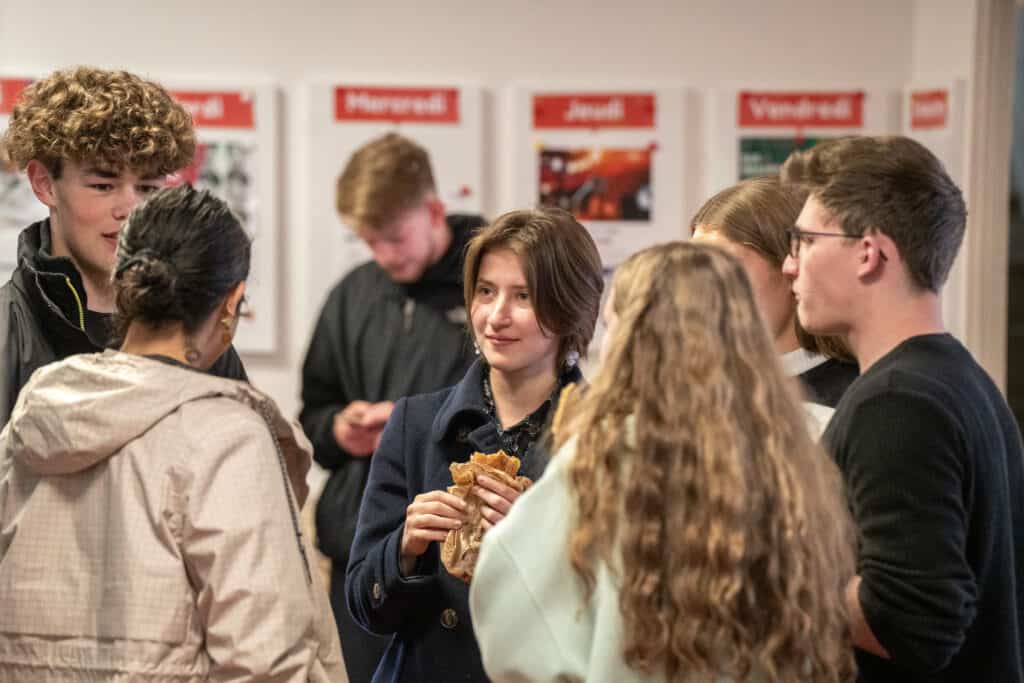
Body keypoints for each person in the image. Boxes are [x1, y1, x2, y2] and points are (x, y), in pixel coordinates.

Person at [469, 241, 858, 683]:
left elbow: (511, 598)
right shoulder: (790, 456)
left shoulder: (605, 457)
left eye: (613, 324)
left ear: (633, 339)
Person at [0, 185, 343, 680]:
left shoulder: (35, 415)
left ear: (122, 284)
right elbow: (266, 659)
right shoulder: (227, 438)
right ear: (232, 303)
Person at [781, 135, 1024, 682]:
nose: (790, 267)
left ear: (869, 252)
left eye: (803, 242)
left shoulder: (897, 403)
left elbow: (911, 622)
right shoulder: (960, 378)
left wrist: (771, 567)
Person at [345, 207, 604, 682]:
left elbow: (618, 619)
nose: (496, 316)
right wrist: (404, 548)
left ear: (570, 306)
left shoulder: (604, 437)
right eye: (485, 292)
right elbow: (365, 605)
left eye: (523, 296)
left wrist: (536, 543)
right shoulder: (416, 423)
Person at [299, 132, 486, 679]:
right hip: (364, 553)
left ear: (433, 210)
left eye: (395, 238)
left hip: (464, 553)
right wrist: (340, 430)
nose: (385, 255)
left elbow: (521, 417)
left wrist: (410, 430)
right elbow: (314, 410)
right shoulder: (354, 293)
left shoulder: (489, 291)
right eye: (369, 241)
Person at [0, 66, 248, 427]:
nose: (129, 210)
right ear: (44, 184)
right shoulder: (7, 334)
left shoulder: (195, 326)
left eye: (147, 188)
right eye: (103, 185)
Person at [691, 175, 857, 409]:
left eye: (726, 266)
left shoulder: (855, 400)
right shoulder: (693, 388)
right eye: (695, 268)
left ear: (793, 266)